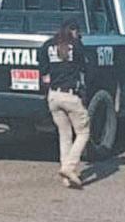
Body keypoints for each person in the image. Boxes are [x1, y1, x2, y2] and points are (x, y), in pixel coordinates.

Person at [38, 19, 90, 188]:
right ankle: (69, 167)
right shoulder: (76, 45)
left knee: (64, 135)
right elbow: (84, 68)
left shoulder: (47, 45)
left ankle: (66, 178)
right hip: (70, 95)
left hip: (53, 96)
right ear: (73, 31)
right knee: (83, 132)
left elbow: (43, 71)